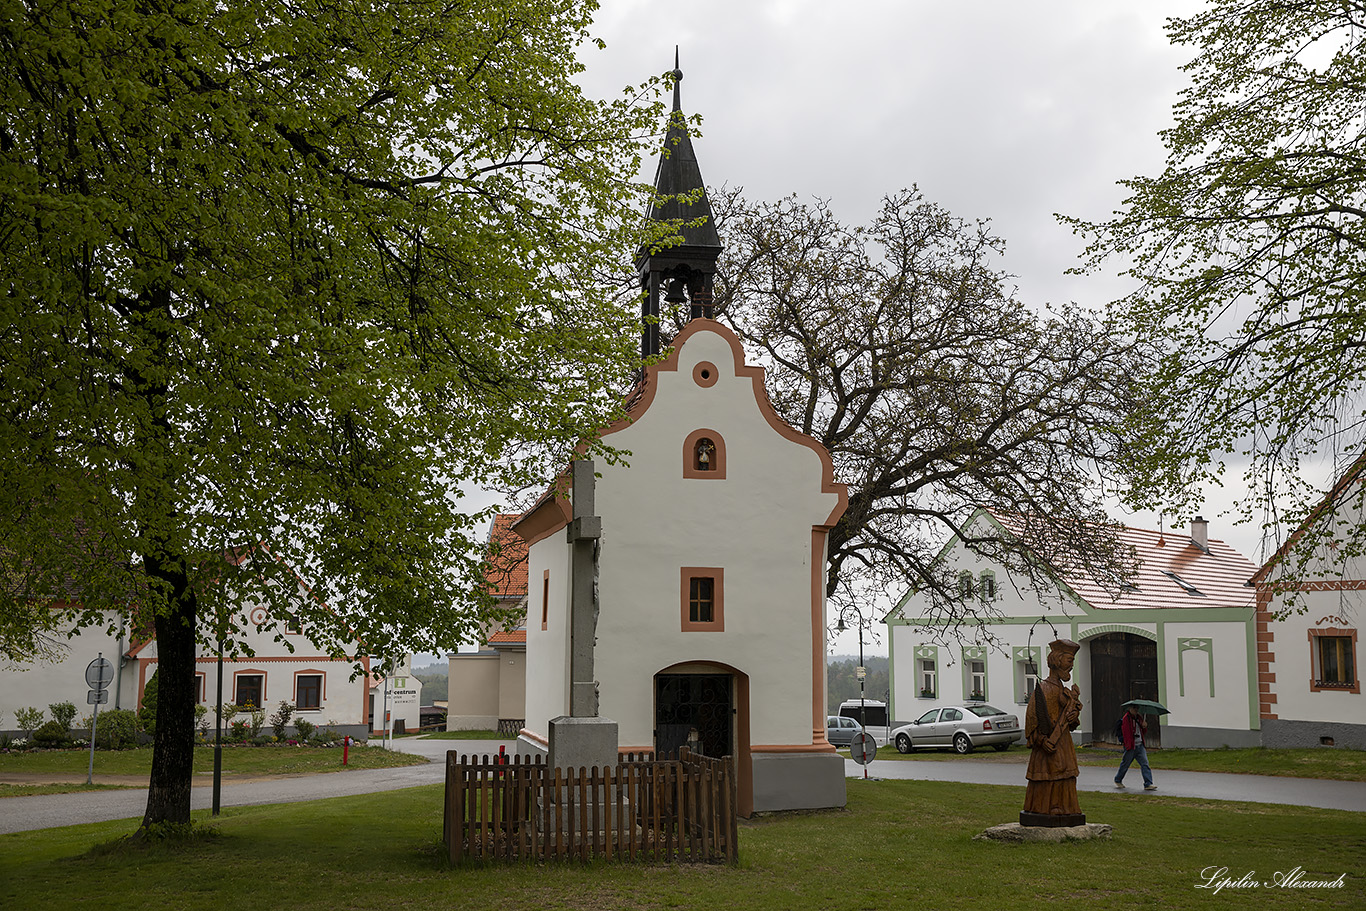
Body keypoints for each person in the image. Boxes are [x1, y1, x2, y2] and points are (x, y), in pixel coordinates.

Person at [1021, 638, 1084, 825]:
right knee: (1049, 778)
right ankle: (1045, 808)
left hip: (1063, 745)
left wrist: (1074, 720)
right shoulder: (1043, 689)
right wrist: (1042, 741)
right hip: (1047, 748)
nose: (1071, 667)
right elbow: (1031, 722)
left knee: (1066, 776)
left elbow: (1071, 724)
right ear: (1057, 660)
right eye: (1069, 661)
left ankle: (1067, 809)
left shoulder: (1066, 693)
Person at [1115, 704, 1156, 790]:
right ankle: (1118, 779)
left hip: (1140, 745)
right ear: (1130, 708)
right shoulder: (1126, 719)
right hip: (1131, 746)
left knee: (1145, 764)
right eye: (1134, 708)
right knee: (1125, 764)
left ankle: (1148, 783)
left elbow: (1143, 732)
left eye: (1137, 708)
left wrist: (1144, 726)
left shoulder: (1139, 718)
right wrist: (1128, 743)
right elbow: (1126, 733)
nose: (1136, 710)